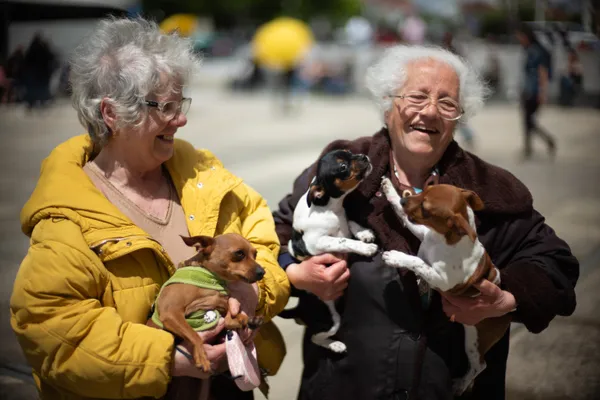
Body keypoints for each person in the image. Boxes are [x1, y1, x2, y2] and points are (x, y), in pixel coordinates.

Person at [272, 45, 579, 400]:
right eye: (417, 97)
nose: (430, 112)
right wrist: (296, 274)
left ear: (459, 117)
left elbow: (556, 265)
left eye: (447, 103)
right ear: (388, 106)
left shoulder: (492, 191)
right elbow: (271, 240)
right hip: (343, 384)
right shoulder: (339, 172)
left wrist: (506, 298)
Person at [10, 17, 290, 400]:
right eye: (166, 106)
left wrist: (254, 293)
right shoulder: (66, 217)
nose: (182, 118)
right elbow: (53, 331)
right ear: (112, 114)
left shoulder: (207, 179)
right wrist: (168, 359)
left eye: (181, 103)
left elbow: (265, 247)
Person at [515, 23, 557, 160]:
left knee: (528, 120)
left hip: (533, 91)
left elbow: (542, 72)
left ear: (526, 36)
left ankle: (543, 142)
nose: (519, 39)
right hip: (528, 90)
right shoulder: (529, 50)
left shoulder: (536, 51)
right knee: (527, 120)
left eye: (520, 36)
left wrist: (542, 93)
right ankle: (532, 146)